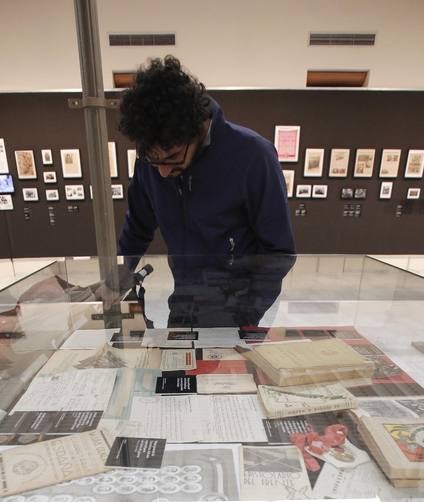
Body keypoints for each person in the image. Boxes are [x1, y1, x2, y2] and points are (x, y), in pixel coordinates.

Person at [113, 55, 296, 326]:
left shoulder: (253, 156)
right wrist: (117, 278)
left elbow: (278, 251)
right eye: (154, 160)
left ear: (197, 128)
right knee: (175, 368)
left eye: (172, 157)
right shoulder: (150, 161)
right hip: (183, 305)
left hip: (238, 314)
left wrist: (246, 314)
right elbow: (137, 228)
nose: (162, 171)